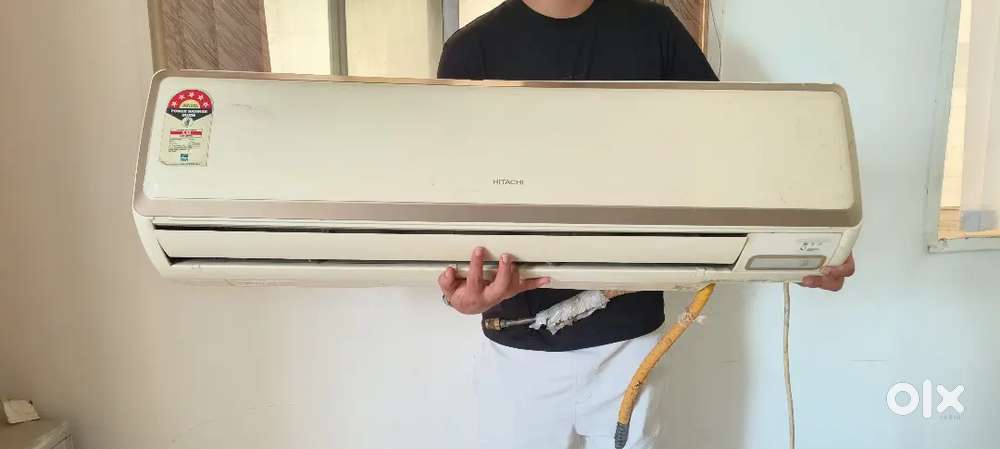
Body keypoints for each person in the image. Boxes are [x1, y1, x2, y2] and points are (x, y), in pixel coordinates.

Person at [435, 1, 857, 448]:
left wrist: (808, 245)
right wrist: (455, 293)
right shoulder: (471, 51)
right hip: (517, 352)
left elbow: (727, 153)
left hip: (630, 344)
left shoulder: (654, 30)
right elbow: (446, 197)